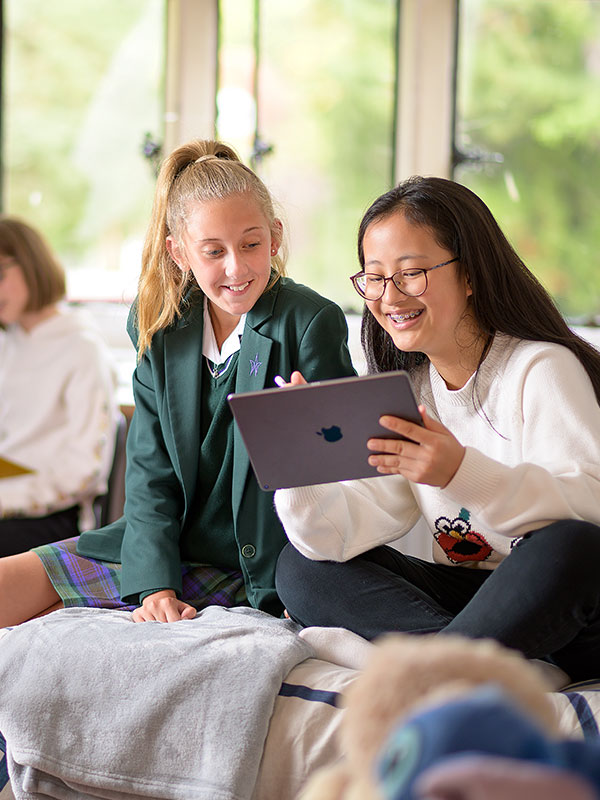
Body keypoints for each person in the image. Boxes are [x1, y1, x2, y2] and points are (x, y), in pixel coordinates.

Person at [0, 139, 355, 628]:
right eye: (214, 251)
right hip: (164, 546)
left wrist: (306, 435)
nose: (237, 267)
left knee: (50, 618)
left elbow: (344, 471)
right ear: (179, 252)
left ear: (274, 236)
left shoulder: (311, 320)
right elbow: (151, 472)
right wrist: (156, 585)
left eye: (252, 244)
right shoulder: (161, 325)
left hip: (258, 562)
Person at [274, 175, 600, 682]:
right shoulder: (406, 388)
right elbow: (338, 536)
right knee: (300, 569)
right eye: (374, 277)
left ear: (469, 275)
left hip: (570, 607)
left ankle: (429, 667)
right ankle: (473, 665)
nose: (389, 296)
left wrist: (460, 472)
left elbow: (590, 510)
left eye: (410, 273)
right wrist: (300, 466)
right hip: (481, 606)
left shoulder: (540, 368)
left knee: (570, 548)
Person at [0, 216, 118, 556]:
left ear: (29, 263)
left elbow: (83, 472)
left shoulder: (81, 348)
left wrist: (9, 497)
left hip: (53, 520)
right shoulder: (10, 342)